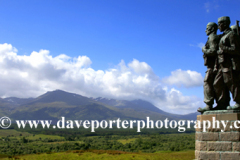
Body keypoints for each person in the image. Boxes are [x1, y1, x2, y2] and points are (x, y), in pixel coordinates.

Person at [213, 16, 240, 110]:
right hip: (222, 64)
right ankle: (222, 103)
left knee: (232, 83)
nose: (218, 26)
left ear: (225, 24)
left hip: (229, 64)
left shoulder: (231, 35)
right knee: (217, 84)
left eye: (219, 24)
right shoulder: (223, 36)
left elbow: (236, 50)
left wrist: (224, 48)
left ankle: (238, 102)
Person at [198, 22, 222, 113]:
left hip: (213, 66)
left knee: (207, 83)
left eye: (207, 28)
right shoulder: (215, 38)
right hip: (215, 66)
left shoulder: (212, 38)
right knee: (216, 85)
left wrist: (204, 49)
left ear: (212, 29)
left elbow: (213, 51)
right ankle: (220, 103)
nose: (205, 30)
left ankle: (209, 104)